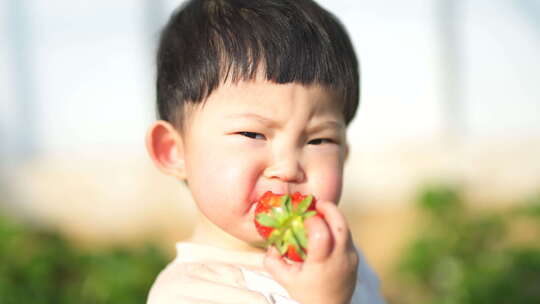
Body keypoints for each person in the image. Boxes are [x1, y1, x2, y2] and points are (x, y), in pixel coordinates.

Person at [145, 0, 385, 303]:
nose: (287, 168)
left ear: (344, 154)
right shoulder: (189, 293)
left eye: (318, 140)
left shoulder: (341, 261)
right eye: (252, 134)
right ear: (174, 151)